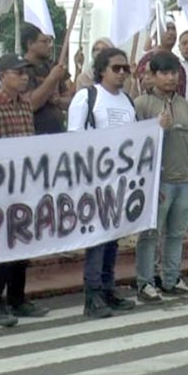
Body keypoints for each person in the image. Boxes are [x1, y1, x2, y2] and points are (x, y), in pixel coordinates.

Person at [0, 53, 50, 327]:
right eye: (18, 73)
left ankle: (18, 298)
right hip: (1, 186)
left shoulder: (24, 106)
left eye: (25, 73)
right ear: (2, 75)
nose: (24, 77)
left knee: (22, 243)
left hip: (24, 183)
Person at [67, 48, 139, 318]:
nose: (121, 73)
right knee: (97, 238)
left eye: (125, 69)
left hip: (121, 182)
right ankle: (92, 294)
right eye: (115, 68)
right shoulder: (87, 98)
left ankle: (108, 288)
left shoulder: (127, 101)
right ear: (101, 71)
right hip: (95, 181)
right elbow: (75, 138)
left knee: (112, 239)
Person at [133, 52, 188, 302]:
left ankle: (171, 278)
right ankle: (145, 281)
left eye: (174, 73)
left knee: (176, 234)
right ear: (152, 76)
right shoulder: (141, 104)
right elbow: (135, 146)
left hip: (184, 181)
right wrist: (155, 128)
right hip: (157, 182)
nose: (170, 78)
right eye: (164, 73)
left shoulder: (186, 106)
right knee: (150, 233)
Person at [20, 24, 71, 135]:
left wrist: (59, 100)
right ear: (30, 44)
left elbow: (70, 101)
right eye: (44, 42)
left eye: (50, 41)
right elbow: (31, 104)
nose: (50, 45)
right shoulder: (20, 70)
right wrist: (51, 79)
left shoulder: (53, 67)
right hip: (34, 133)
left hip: (57, 132)